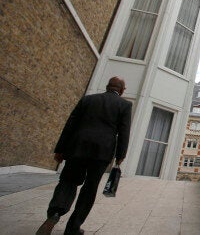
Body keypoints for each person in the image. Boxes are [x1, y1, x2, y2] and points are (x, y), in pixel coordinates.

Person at [37, 77, 132, 235]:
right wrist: (120, 155)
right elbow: (124, 132)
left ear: (107, 86)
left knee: (68, 181)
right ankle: (73, 228)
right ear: (122, 91)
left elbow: (70, 124)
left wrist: (60, 150)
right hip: (102, 152)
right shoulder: (124, 105)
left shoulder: (88, 100)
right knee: (89, 189)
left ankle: (55, 212)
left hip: (77, 148)